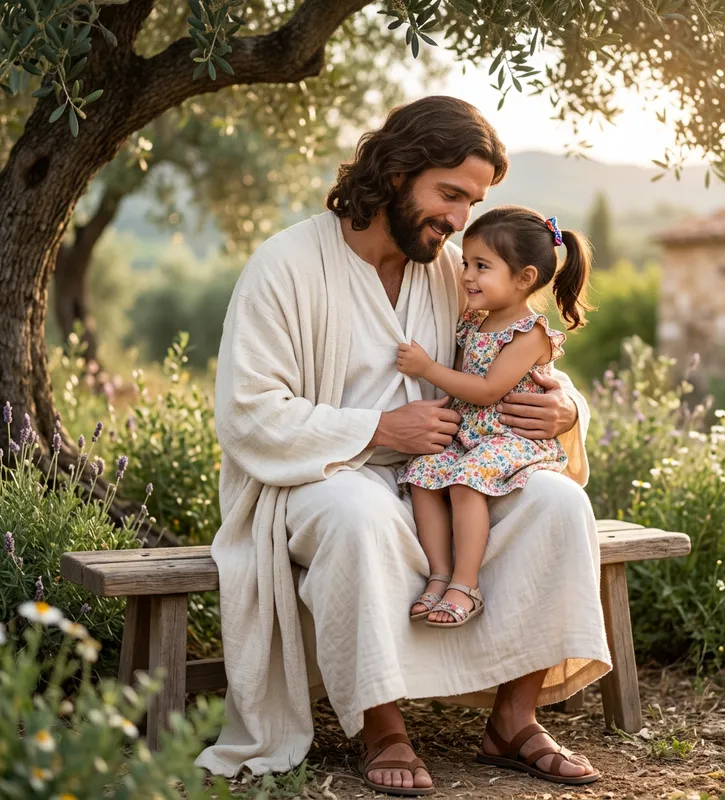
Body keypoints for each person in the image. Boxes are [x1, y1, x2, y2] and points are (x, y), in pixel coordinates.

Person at [195, 96, 612, 795]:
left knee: (555, 502)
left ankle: (513, 720)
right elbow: (247, 413)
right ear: (395, 172)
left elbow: (521, 358)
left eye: (471, 201)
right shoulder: (286, 266)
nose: (458, 219)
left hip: (449, 473)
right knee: (362, 516)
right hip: (325, 475)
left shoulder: (456, 270)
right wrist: (378, 431)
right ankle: (383, 725)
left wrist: (567, 406)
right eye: (449, 194)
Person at [397, 207, 592, 630]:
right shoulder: (476, 322)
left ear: (523, 278)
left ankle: (466, 585)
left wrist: (426, 368)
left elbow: (487, 391)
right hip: (473, 435)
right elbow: (465, 383)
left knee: (466, 481)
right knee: (422, 474)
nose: (467, 275)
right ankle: (439, 575)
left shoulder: (529, 333)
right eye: (466, 263)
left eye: (481, 266)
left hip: (510, 437)